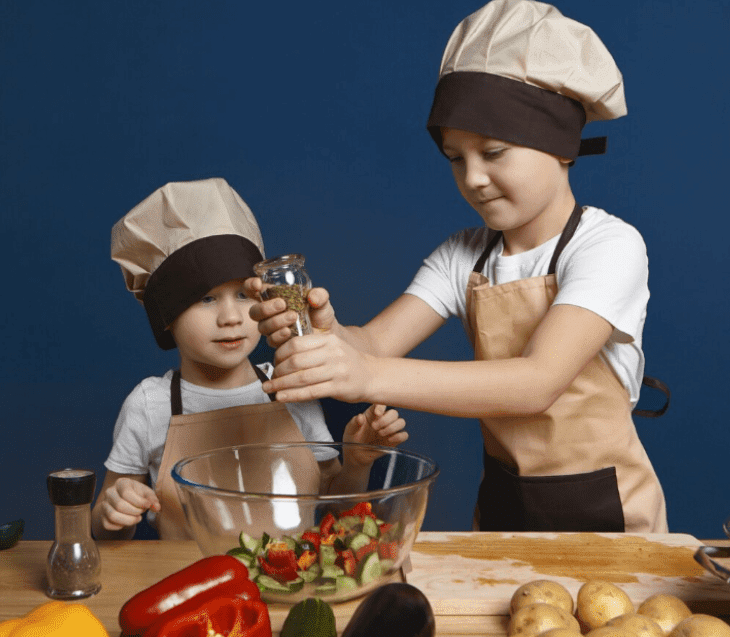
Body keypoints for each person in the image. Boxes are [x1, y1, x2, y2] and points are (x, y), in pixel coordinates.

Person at [247, 0, 668, 533]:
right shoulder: (464, 255)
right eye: (455, 157)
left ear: (562, 147)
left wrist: (367, 373)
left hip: (609, 517)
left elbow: (537, 382)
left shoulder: (609, 246)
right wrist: (326, 336)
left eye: (493, 152)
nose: (472, 178)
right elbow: (374, 344)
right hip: (504, 508)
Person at [93, 177, 407, 540]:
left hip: (290, 580)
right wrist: (113, 512)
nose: (231, 317)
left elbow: (334, 508)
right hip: (191, 585)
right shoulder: (149, 405)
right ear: (166, 315)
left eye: (243, 295)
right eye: (206, 299)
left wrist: (355, 462)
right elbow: (101, 532)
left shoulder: (291, 386)